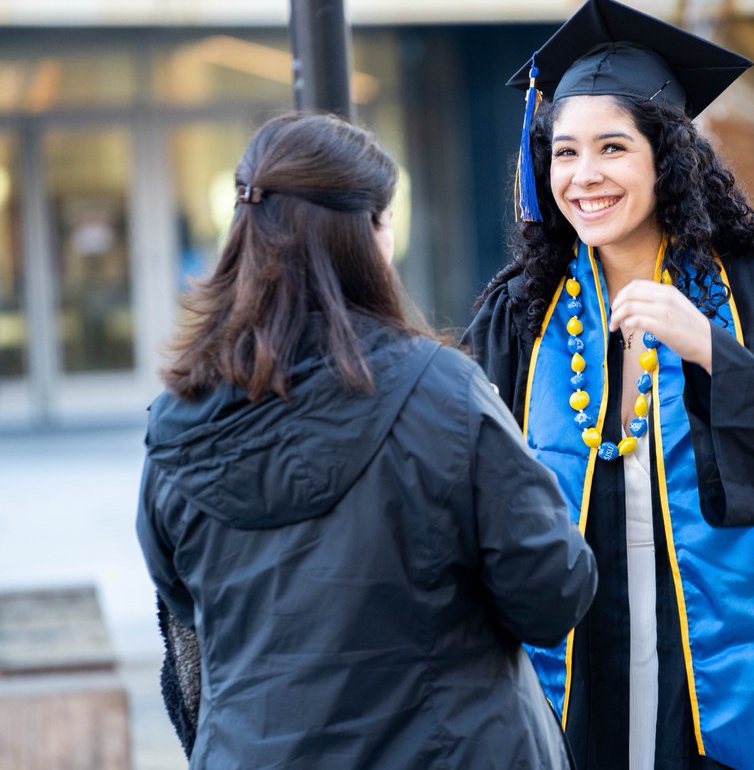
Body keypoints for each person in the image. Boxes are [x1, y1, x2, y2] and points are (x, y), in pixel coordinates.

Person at [464, 0, 754, 770]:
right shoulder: (519, 317)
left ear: (667, 156)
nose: (584, 176)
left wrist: (714, 353)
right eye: (564, 152)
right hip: (574, 671)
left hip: (723, 682)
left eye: (612, 149)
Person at [136, 112, 597, 769]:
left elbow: (184, 611)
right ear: (367, 235)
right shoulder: (443, 393)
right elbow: (550, 594)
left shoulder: (175, 422)